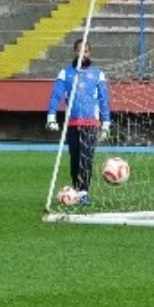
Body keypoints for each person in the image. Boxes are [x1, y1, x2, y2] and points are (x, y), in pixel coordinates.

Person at [46, 39, 111, 206]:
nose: (83, 54)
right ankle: (76, 189)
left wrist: (106, 124)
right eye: (80, 50)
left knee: (86, 158)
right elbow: (56, 95)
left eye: (86, 51)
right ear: (75, 52)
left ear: (90, 53)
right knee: (75, 159)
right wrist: (51, 117)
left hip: (91, 123)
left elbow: (104, 100)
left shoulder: (98, 74)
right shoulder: (65, 73)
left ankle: (84, 192)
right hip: (73, 123)